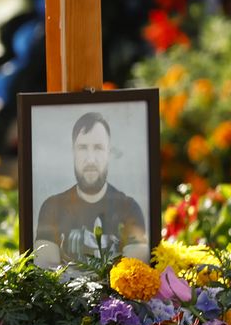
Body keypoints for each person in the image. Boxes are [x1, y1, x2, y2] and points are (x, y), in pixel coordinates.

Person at [34, 112, 150, 268]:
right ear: (73, 152)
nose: (90, 159)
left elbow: (133, 276)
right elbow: (45, 272)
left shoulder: (129, 209)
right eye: (82, 148)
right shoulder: (52, 208)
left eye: (98, 148)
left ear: (109, 153)